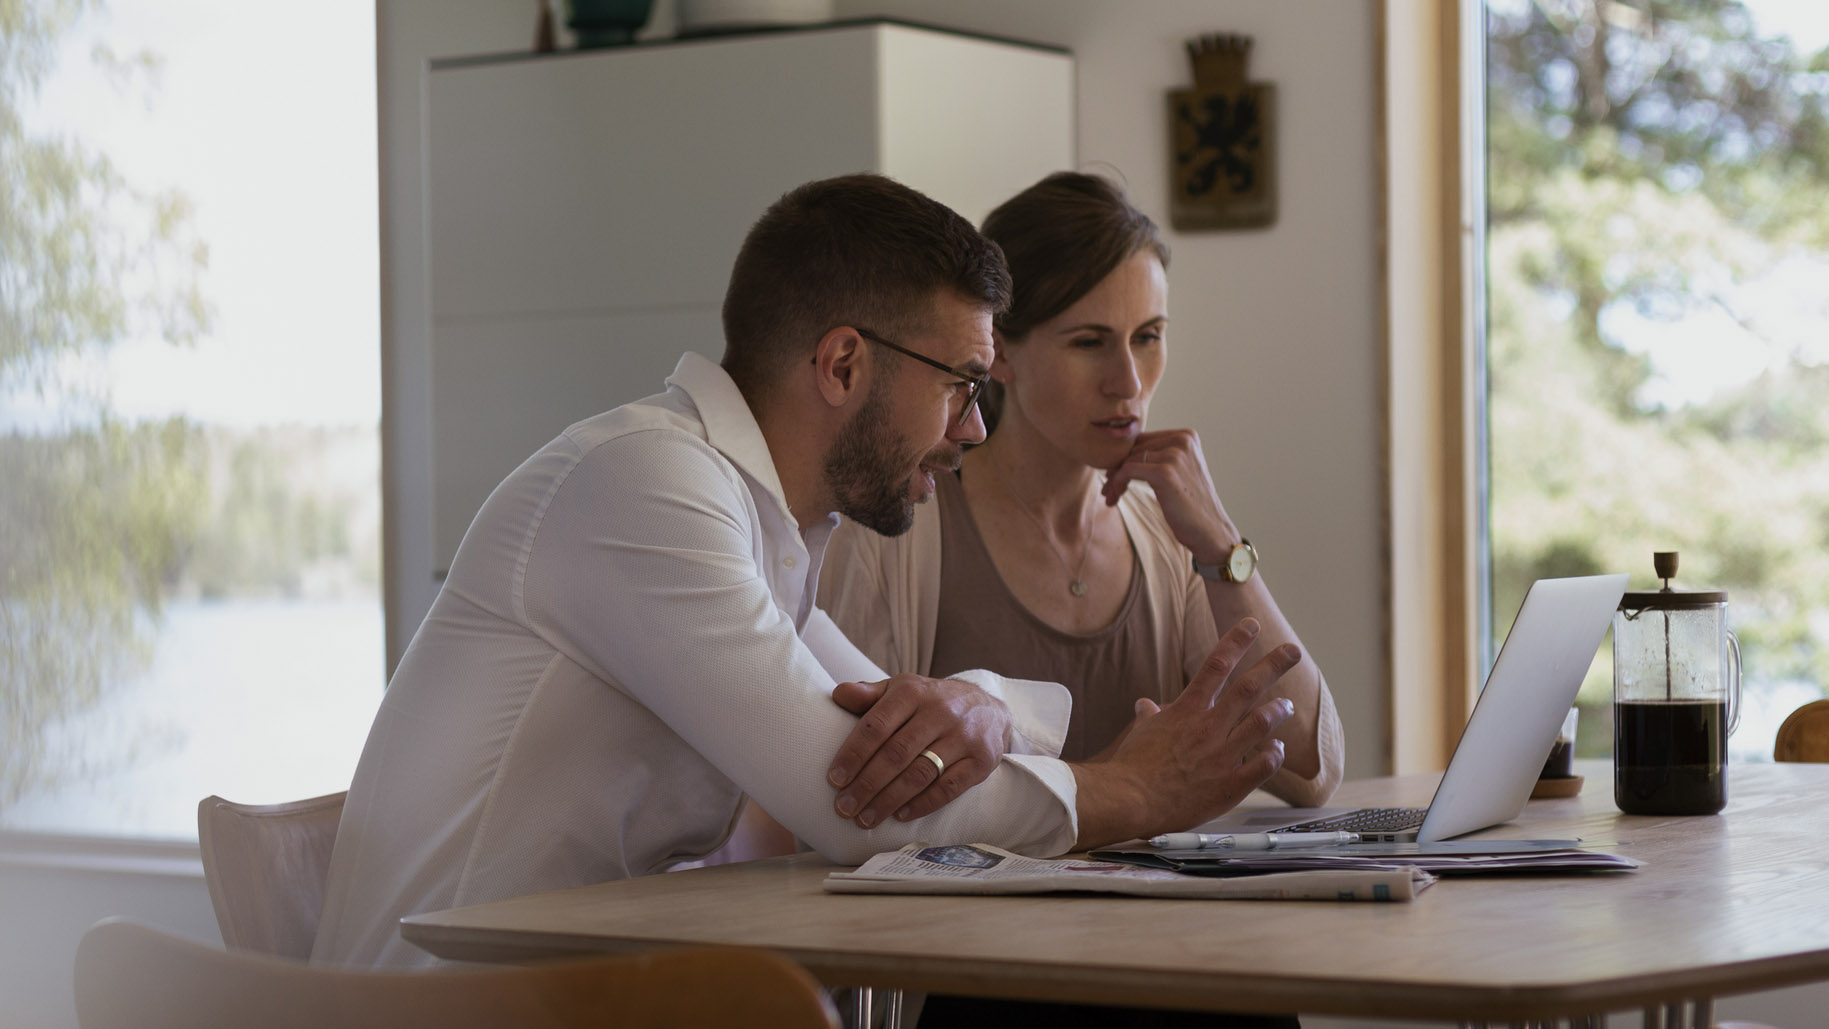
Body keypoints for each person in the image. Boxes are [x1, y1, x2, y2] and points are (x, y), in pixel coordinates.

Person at [311, 173, 1302, 970]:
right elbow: (851, 807)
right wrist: (1138, 787)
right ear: (840, 366)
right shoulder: (644, 486)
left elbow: (876, 738)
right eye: (960, 385)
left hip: (576, 993)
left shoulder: (759, 524)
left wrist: (984, 703)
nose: (971, 428)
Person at [819, 171, 1344, 804]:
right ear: (1000, 353)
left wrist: (1221, 544)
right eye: (1090, 342)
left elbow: (1310, 768)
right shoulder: (895, 532)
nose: (1127, 382)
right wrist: (1124, 783)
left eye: (1148, 337)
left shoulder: (1172, 538)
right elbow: (848, 793)